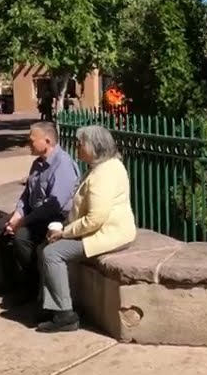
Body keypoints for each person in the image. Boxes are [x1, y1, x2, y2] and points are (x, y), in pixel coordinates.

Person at [37, 124, 137, 333]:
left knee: (52, 253)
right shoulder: (102, 168)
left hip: (107, 235)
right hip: (99, 231)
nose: (77, 147)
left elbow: (95, 219)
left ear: (94, 147)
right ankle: (51, 305)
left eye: (80, 144)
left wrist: (64, 232)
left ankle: (65, 315)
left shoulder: (105, 173)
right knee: (44, 247)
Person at [0, 121, 79, 302]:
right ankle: (11, 281)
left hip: (54, 217)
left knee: (22, 236)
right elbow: (27, 195)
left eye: (32, 140)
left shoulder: (62, 165)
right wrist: (18, 214)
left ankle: (31, 286)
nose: (28, 143)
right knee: (0, 227)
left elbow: (53, 206)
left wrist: (23, 222)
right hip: (35, 213)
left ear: (47, 141)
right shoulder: (37, 164)